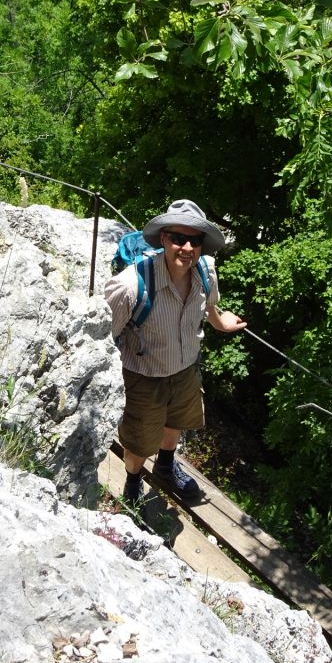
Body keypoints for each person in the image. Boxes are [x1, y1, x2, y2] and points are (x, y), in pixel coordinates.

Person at [104, 199, 247, 504]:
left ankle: (166, 466)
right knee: (140, 441)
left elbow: (209, 307)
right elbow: (106, 338)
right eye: (178, 238)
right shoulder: (131, 286)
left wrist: (221, 323)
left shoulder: (205, 272)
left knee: (177, 419)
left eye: (194, 240)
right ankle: (132, 483)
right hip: (144, 374)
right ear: (164, 239)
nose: (186, 247)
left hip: (185, 367)